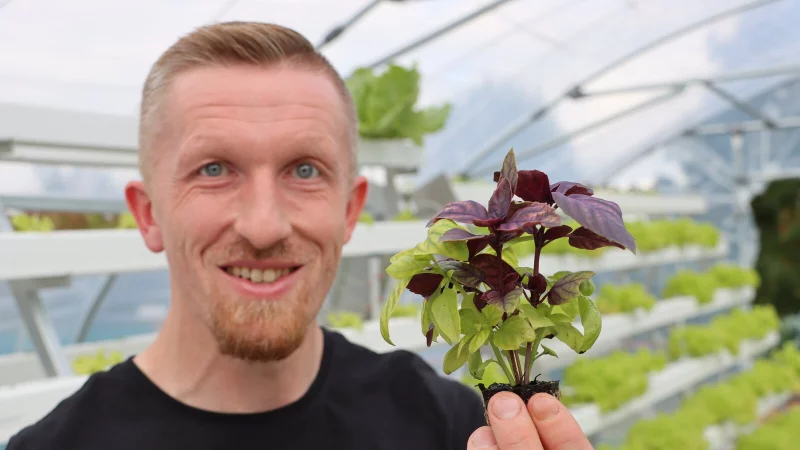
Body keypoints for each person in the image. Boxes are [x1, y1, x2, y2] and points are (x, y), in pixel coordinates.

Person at [6, 22, 595, 450]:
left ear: (349, 210)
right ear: (148, 214)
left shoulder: (445, 424)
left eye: (304, 170)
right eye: (213, 169)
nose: (264, 225)